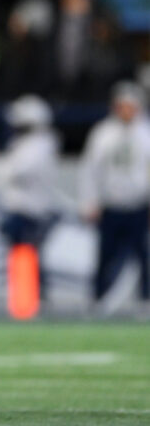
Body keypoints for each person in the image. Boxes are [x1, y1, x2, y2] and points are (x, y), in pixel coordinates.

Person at [78, 81, 150, 312]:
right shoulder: (103, 133)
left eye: (130, 106)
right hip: (112, 204)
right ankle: (98, 298)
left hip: (139, 204)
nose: (126, 111)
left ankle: (145, 298)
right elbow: (90, 170)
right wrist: (90, 202)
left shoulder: (145, 132)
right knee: (105, 255)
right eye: (122, 106)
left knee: (143, 256)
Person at [0, 94, 61, 300]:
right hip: (19, 208)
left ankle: (34, 298)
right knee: (20, 255)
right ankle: (25, 297)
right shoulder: (23, 143)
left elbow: (17, 171)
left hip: (31, 209)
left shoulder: (41, 144)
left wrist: (3, 168)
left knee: (28, 255)